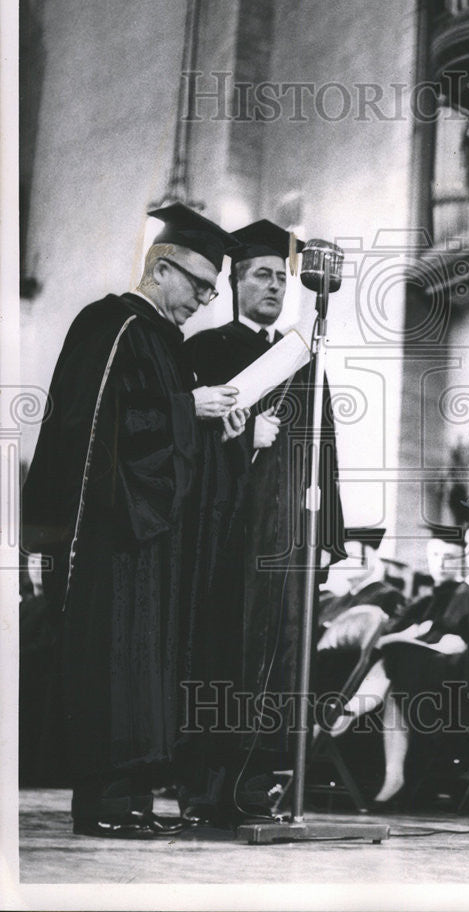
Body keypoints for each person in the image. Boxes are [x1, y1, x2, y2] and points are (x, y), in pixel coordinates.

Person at [21, 203, 250, 838]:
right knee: (114, 665)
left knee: (147, 669)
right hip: (111, 536)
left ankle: (135, 800)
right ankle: (106, 803)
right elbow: (90, 430)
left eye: (211, 290)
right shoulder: (112, 325)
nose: (206, 300)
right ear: (160, 268)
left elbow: (163, 437)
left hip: (153, 538)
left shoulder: (163, 341)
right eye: (200, 285)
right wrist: (187, 408)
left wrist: (216, 429)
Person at [182, 219, 345, 822]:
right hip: (225, 537)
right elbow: (185, 444)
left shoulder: (305, 357)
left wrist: (326, 534)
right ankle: (206, 788)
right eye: (262, 275)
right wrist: (244, 438)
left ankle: (259, 787)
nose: (275, 286)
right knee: (222, 653)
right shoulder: (205, 350)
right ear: (233, 281)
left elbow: (323, 448)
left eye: (282, 277)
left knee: (278, 660)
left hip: (286, 542)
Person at [330, 524, 469, 808]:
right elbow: (439, 629)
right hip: (447, 675)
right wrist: (437, 642)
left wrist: (457, 646)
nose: (466, 553)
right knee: (398, 663)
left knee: (398, 660)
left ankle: (346, 713)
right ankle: (391, 772)